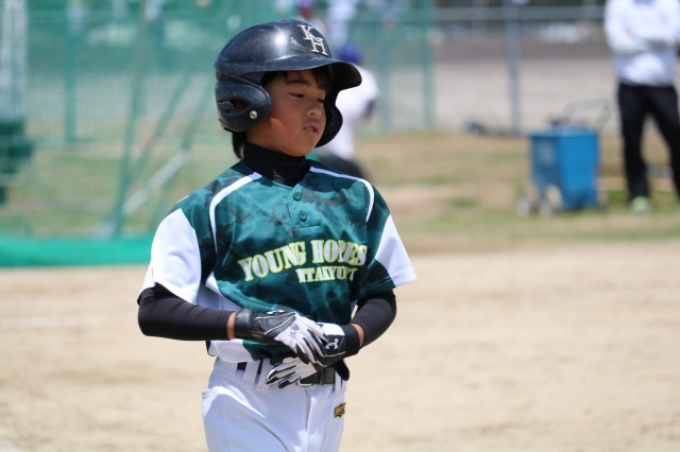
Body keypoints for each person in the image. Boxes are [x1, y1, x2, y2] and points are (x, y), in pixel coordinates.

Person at [136, 19, 416, 452]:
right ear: (247, 99)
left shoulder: (355, 197)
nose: (315, 109)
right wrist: (252, 323)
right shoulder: (209, 207)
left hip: (329, 399)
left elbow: (380, 295)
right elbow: (155, 311)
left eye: (321, 98)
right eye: (298, 94)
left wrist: (349, 338)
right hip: (247, 400)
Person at [604, 0, 680, 213]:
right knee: (632, 141)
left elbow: (674, 35)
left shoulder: (670, 3)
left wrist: (636, 34)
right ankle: (638, 194)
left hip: (662, 84)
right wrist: (658, 39)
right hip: (630, 85)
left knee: (676, 137)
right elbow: (618, 43)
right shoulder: (618, 4)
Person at [314, 43, 379, 180]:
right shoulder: (365, 73)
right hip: (356, 110)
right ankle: (347, 173)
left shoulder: (336, 71)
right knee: (341, 147)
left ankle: (343, 173)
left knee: (332, 146)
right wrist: (363, 119)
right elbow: (371, 102)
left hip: (335, 106)